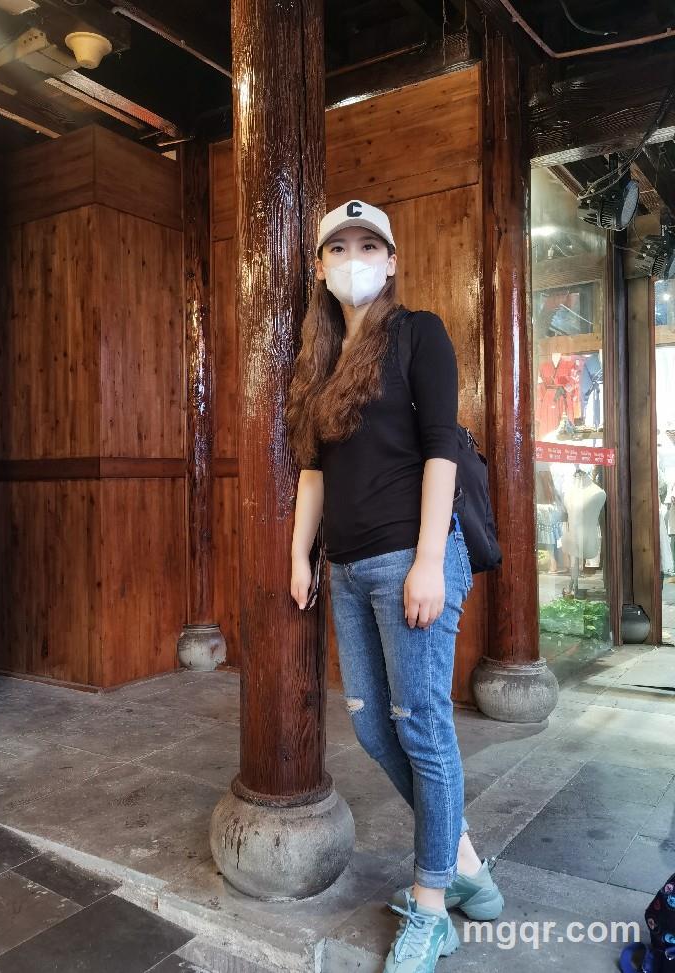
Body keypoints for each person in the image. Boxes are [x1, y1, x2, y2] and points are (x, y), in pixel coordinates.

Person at [285, 199, 503, 973]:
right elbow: (314, 472)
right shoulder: (320, 361)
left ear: (392, 260)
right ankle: (464, 859)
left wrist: (427, 561)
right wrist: (300, 555)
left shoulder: (419, 333)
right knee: (375, 728)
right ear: (320, 268)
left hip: (411, 558)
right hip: (346, 570)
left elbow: (441, 449)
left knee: (424, 728)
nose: (354, 258)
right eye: (338, 248)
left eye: (368, 245)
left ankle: (432, 908)